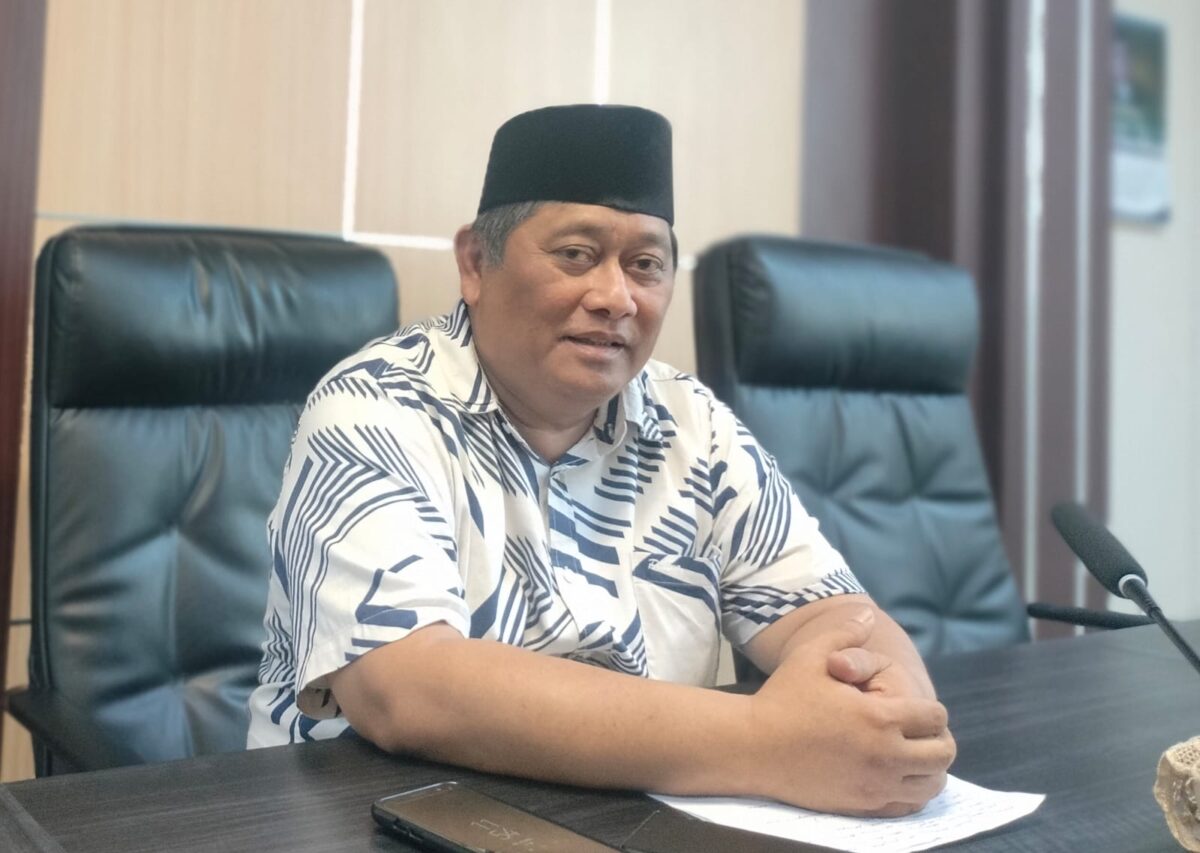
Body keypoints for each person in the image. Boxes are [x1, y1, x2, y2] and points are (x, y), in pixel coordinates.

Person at [247, 104, 955, 817]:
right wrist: (768, 739)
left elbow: (834, 616)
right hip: (374, 817)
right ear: (475, 264)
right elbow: (410, 689)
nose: (616, 298)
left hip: (631, 820)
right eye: (576, 255)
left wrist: (888, 714)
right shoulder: (372, 408)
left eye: (645, 265)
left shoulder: (693, 422)